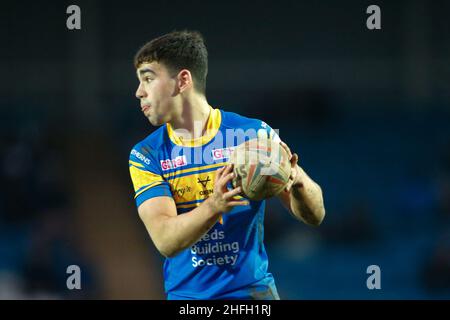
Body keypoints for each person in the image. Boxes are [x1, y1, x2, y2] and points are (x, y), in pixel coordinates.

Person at [128, 30, 325, 300]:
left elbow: (315, 215)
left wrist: (296, 178)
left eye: (148, 79)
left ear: (182, 80)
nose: (139, 92)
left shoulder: (254, 136)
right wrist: (215, 205)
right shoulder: (147, 154)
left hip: (254, 295)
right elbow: (165, 240)